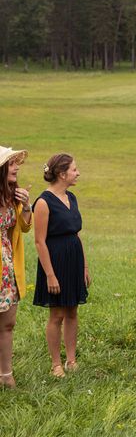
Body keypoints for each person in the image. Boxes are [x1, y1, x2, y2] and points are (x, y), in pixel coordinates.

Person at [33, 154, 90, 378]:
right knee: (56, 314)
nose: (78, 173)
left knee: (73, 311)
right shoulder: (43, 202)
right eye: (75, 170)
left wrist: (84, 267)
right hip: (54, 262)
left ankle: (71, 360)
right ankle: (56, 364)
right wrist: (50, 275)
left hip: (74, 259)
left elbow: (77, 234)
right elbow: (39, 241)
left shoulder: (72, 197)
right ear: (61, 173)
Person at [0, 146, 32, 389]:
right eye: (11, 164)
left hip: (7, 268)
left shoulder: (13, 197)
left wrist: (27, 206)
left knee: (8, 323)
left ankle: (6, 375)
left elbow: (24, 227)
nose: (17, 167)